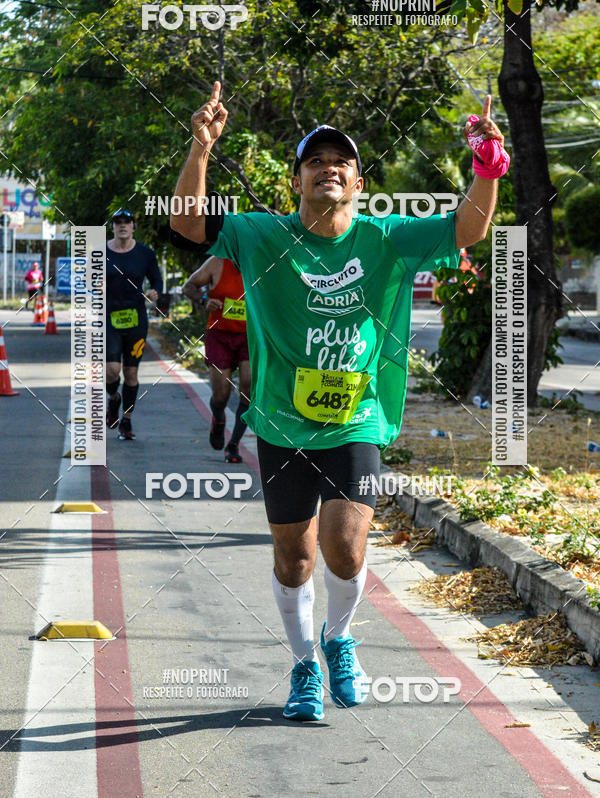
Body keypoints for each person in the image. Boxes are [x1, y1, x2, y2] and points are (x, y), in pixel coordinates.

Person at [170, 81, 507, 722]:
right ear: (297, 180)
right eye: (316, 162)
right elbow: (188, 222)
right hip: (281, 421)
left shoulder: (388, 238)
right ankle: (303, 667)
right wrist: (201, 147)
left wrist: (486, 165)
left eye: (341, 163)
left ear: (357, 183)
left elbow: (468, 226)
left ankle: (339, 638)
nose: (329, 168)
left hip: (357, 418)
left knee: (345, 549)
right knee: (293, 557)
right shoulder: (260, 235)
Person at [182, 255, 250, 463]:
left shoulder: (260, 260)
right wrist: (204, 299)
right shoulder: (216, 262)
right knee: (220, 394)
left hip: (250, 336)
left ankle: (234, 444)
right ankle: (218, 418)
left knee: (248, 389)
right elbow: (188, 286)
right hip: (219, 334)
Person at [106, 208, 163, 440]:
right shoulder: (100, 253)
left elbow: (157, 279)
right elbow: (87, 279)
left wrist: (154, 291)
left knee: (131, 372)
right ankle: (113, 399)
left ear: (133, 226)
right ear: (112, 227)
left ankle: (126, 421)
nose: (122, 225)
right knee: (111, 370)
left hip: (136, 320)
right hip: (108, 319)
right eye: (117, 222)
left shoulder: (145, 253)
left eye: (127, 222)